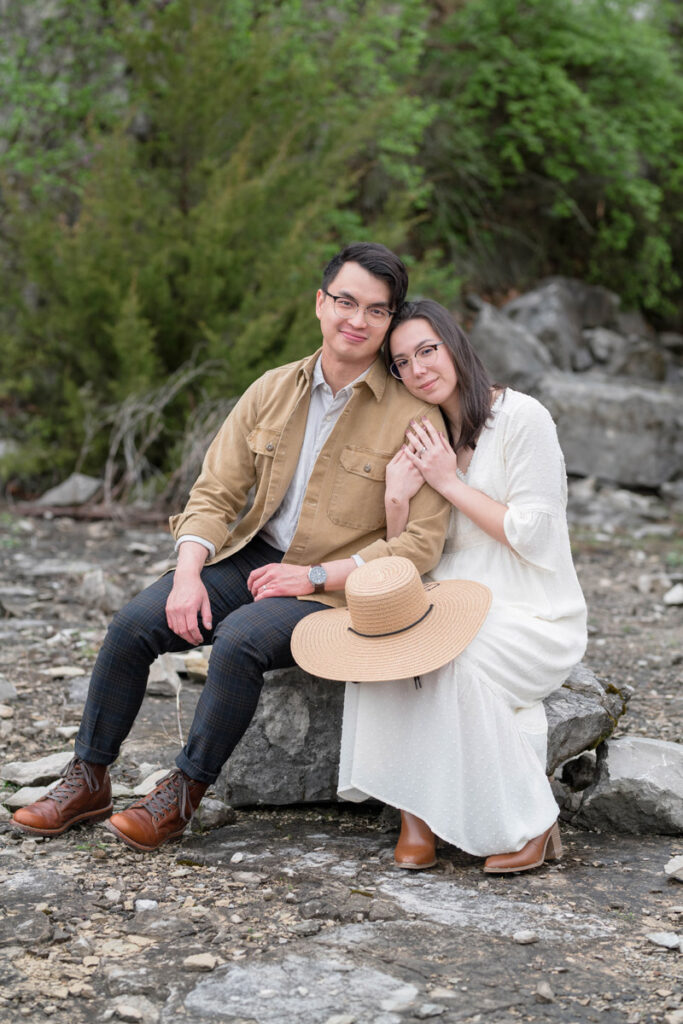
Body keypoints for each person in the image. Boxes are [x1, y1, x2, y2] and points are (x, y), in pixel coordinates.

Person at [12, 244, 452, 852]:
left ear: (389, 320)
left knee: (242, 639)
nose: (357, 319)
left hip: (341, 586)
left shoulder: (415, 414)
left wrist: (315, 576)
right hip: (257, 556)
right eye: (345, 301)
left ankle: (182, 793)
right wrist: (189, 572)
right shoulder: (271, 390)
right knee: (133, 623)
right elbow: (216, 492)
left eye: (376, 310)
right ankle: (89, 778)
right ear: (320, 304)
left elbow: (421, 545)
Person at [332, 299, 588, 873]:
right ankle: (414, 818)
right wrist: (397, 500)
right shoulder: (422, 434)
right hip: (446, 600)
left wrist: (447, 482)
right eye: (402, 362)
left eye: (428, 350)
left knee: (447, 660)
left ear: (454, 345)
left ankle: (532, 820)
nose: (419, 369)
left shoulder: (522, 418)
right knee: (380, 649)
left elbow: (536, 535)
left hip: (531, 612)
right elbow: (415, 560)